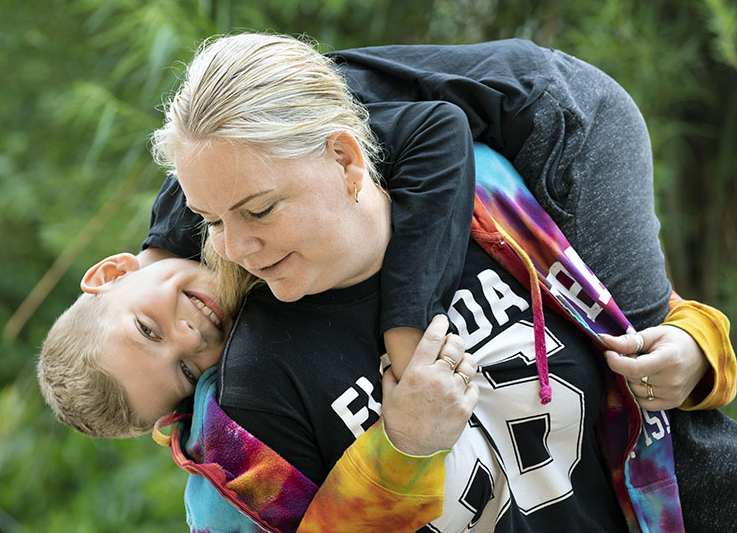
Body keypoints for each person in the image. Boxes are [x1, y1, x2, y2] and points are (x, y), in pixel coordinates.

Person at [142, 33, 734, 531]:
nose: (235, 249)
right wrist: (401, 450)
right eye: (211, 220)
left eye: (261, 209)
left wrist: (698, 353)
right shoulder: (257, 384)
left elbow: (635, 333)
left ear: (348, 161)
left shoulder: (493, 192)